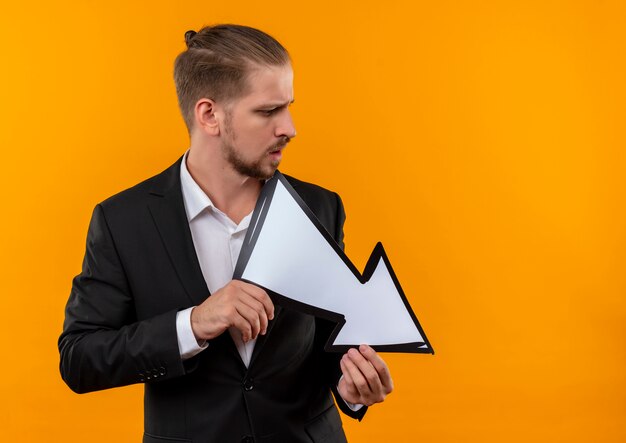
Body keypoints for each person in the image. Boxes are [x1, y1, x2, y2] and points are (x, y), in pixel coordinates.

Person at [59, 24, 393, 443]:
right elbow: (79, 358)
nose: (289, 127)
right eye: (268, 111)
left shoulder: (320, 208)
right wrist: (194, 324)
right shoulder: (123, 220)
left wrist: (352, 390)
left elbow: (331, 342)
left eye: (288, 107)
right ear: (209, 115)